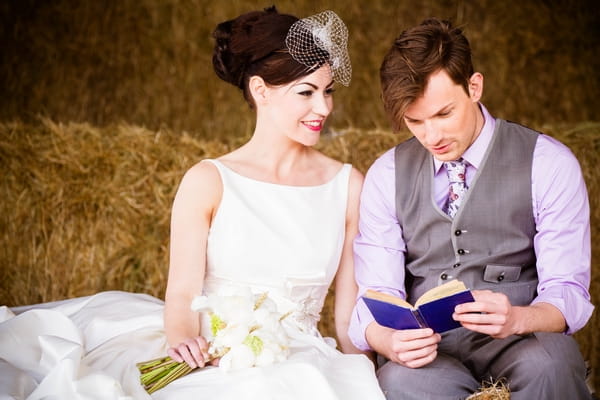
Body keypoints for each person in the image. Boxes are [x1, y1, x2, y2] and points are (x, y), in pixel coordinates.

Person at [0, 7, 385, 400]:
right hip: (209, 351)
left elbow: (346, 315)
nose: (324, 108)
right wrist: (184, 342)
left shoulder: (348, 186)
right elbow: (182, 292)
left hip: (300, 358)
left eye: (329, 90)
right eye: (306, 92)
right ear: (260, 90)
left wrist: (365, 374)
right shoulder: (208, 181)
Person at [348, 18, 594, 400]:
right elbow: (376, 292)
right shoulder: (386, 173)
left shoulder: (548, 162)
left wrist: (518, 318)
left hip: (524, 339)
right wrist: (388, 341)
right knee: (398, 382)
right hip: (434, 351)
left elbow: (568, 291)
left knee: (553, 366)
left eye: (443, 114)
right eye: (415, 121)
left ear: (474, 87)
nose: (431, 136)